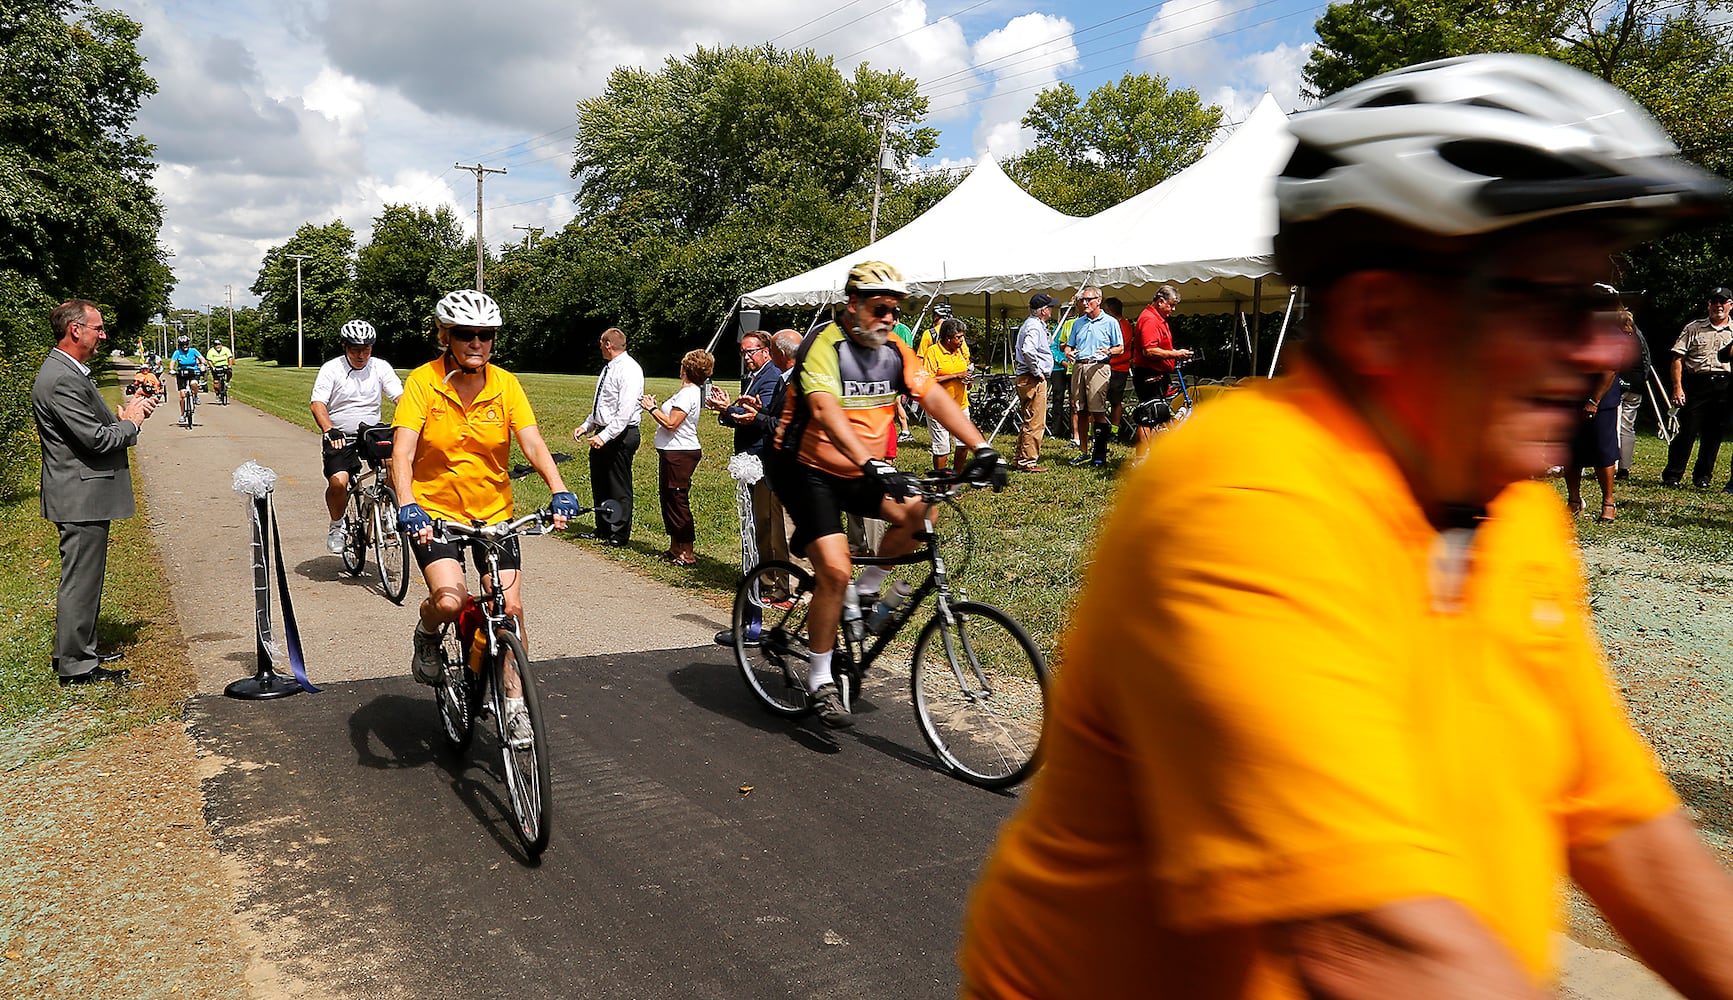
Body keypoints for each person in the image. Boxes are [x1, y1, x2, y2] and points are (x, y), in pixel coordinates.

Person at [959, 54, 1733, 1000]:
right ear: (1380, 317)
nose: (1607, 346)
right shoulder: (1240, 494)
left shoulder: (1511, 507)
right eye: (1553, 300)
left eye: (1605, 301)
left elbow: (1617, 817)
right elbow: (1373, 944)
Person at [769, 260, 1006, 728]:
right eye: (880, 308)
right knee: (834, 570)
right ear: (853, 305)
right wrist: (872, 462)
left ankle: (870, 592)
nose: (890, 319)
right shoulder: (825, 346)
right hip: (806, 469)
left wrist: (983, 447)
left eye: (896, 310)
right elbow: (825, 410)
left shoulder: (895, 347)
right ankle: (819, 680)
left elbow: (933, 396)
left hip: (861, 468)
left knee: (923, 514)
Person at [393, 290, 580, 741]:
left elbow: (532, 442)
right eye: (465, 334)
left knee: (510, 610)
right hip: (435, 514)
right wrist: (406, 503)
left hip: (494, 514)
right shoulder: (423, 382)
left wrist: (559, 489)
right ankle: (426, 634)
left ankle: (514, 703)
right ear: (446, 336)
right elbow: (402, 453)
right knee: (450, 601)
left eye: (485, 335)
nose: (476, 343)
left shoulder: (505, 384)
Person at [33, 299, 159, 685]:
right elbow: (94, 440)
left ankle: (75, 650)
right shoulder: (61, 378)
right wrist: (132, 423)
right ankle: (76, 665)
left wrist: (120, 418)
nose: (103, 335)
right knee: (81, 581)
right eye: (97, 328)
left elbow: (91, 427)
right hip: (78, 496)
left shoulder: (68, 371)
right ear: (76, 330)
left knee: (85, 579)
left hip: (80, 494)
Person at [709, 330, 797, 647]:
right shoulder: (758, 376)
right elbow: (755, 415)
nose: (747, 357)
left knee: (773, 530)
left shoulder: (778, 378)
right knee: (759, 529)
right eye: (743, 352)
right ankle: (763, 583)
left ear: (770, 351)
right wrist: (729, 409)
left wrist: (740, 412)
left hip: (768, 460)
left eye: (752, 351)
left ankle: (774, 590)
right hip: (761, 461)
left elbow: (773, 423)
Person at [310, 320, 404, 555]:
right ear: (345, 347)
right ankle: (337, 525)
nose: (361, 355)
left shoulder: (380, 367)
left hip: (370, 432)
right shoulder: (332, 369)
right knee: (338, 482)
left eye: (366, 349)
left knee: (396, 460)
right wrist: (329, 429)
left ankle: (387, 512)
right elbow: (318, 404)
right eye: (355, 349)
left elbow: (399, 397)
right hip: (340, 434)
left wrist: (410, 421)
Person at [641, 349, 715, 566]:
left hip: (680, 453)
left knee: (678, 499)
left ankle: (687, 552)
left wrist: (651, 408)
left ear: (686, 369)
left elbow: (672, 423)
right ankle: (675, 548)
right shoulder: (685, 392)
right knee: (669, 499)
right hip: (671, 452)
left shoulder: (688, 394)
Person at [572, 327, 644, 547]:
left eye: (601, 343)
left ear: (608, 345)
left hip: (620, 435)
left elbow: (624, 411)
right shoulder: (608, 368)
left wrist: (605, 437)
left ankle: (619, 533)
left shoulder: (629, 370)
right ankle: (603, 527)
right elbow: (603, 404)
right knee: (600, 483)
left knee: (618, 486)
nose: (600, 347)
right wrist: (587, 425)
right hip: (603, 431)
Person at [1662, 287, 1733, 488]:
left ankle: (1703, 477)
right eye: (1714, 302)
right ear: (1708, 305)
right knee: (1688, 431)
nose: (1718, 306)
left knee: (1714, 434)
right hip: (1697, 384)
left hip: (1725, 385)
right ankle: (1673, 475)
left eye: (1723, 302)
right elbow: (1678, 359)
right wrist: (1677, 387)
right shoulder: (1694, 328)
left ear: (1730, 305)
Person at [1063, 286, 1123, 466]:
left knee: (1097, 410)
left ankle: (1100, 451)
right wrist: (1068, 352)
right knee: (1080, 410)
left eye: (1088, 300)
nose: (1084, 303)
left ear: (1098, 300)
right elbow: (1068, 345)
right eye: (1082, 300)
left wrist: (1108, 351)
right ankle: (1083, 450)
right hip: (1079, 366)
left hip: (1098, 367)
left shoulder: (1110, 322)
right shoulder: (1078, 323)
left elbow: (1120, 348)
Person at [1131, 285, 1194, 446]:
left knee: (1157, 414)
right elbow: (1149, 351)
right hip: (1148, 373)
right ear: (1160, 301)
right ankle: (1141, 459)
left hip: (1159, 373)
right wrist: (1175, 354)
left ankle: (1152, 454)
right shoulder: (1150, 320)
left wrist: (1176, 355)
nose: (1173, 309)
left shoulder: (1159, 319)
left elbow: (1161, 347)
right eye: (1171, 305)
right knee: (1148, 415)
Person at [1565, 354, 1621, 523]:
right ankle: (1574, 501)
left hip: (1601, 398)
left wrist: (1594, 400)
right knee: (1571, 451)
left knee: (1603, 450)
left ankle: (1608, 503)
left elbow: (1610, 369)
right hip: (1571, 397)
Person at [919, 317, 973, 471]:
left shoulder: (961, 351)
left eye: (962, 336)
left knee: (963, 444)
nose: (962, 340)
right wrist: (955, 376)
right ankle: (940, 486)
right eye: (958, 337)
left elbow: (965, 371)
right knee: (942, 448)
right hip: (938, 407)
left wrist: (968, 380)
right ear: (947, 338)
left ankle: (955, 480)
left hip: (960, 405)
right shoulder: (933, 352)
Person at [1013, 294, 1056, 472]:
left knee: (1028, 419)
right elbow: (1028, 350)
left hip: (1027, 377)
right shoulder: (1034, 327)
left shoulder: (1033, 324)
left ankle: (1020, 457)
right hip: (1032, 378)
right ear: (1043, 311)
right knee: (1035, 421)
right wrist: (1037, 372)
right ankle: (1028, 461)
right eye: (1050, 307)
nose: (1052, 310)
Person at [1612, 296, 1652, 480]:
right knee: (1627, 425)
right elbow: (1646, 358)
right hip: (1636, 383)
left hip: (1618, 381)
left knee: (1612, 423)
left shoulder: (1615, 336)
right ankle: (1624, 467)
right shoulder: (1637, 335)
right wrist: (1642, 379)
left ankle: (1610, 464)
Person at [1102, 297, 1134, 439]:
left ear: (1110, 311)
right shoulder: (1108, 324)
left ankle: (1114, 431)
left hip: (1118, 368)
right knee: (1098, 401)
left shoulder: (1124, 325)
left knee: (1115, 401)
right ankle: (1095, 430)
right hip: (1105, 366)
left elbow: (1121, 346)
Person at [168, 334, 206, 421]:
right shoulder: (177, 352)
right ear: (180, 345)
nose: (185, 346)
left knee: (194, 383)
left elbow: (202, 358)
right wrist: (171, 369)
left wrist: (203, 364)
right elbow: (172, 362)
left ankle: (195, 396)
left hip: (193, 371)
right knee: (182, 395)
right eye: (182, 344)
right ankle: (182, 414)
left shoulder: (193, 351)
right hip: (182, 373)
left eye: (186, 344)